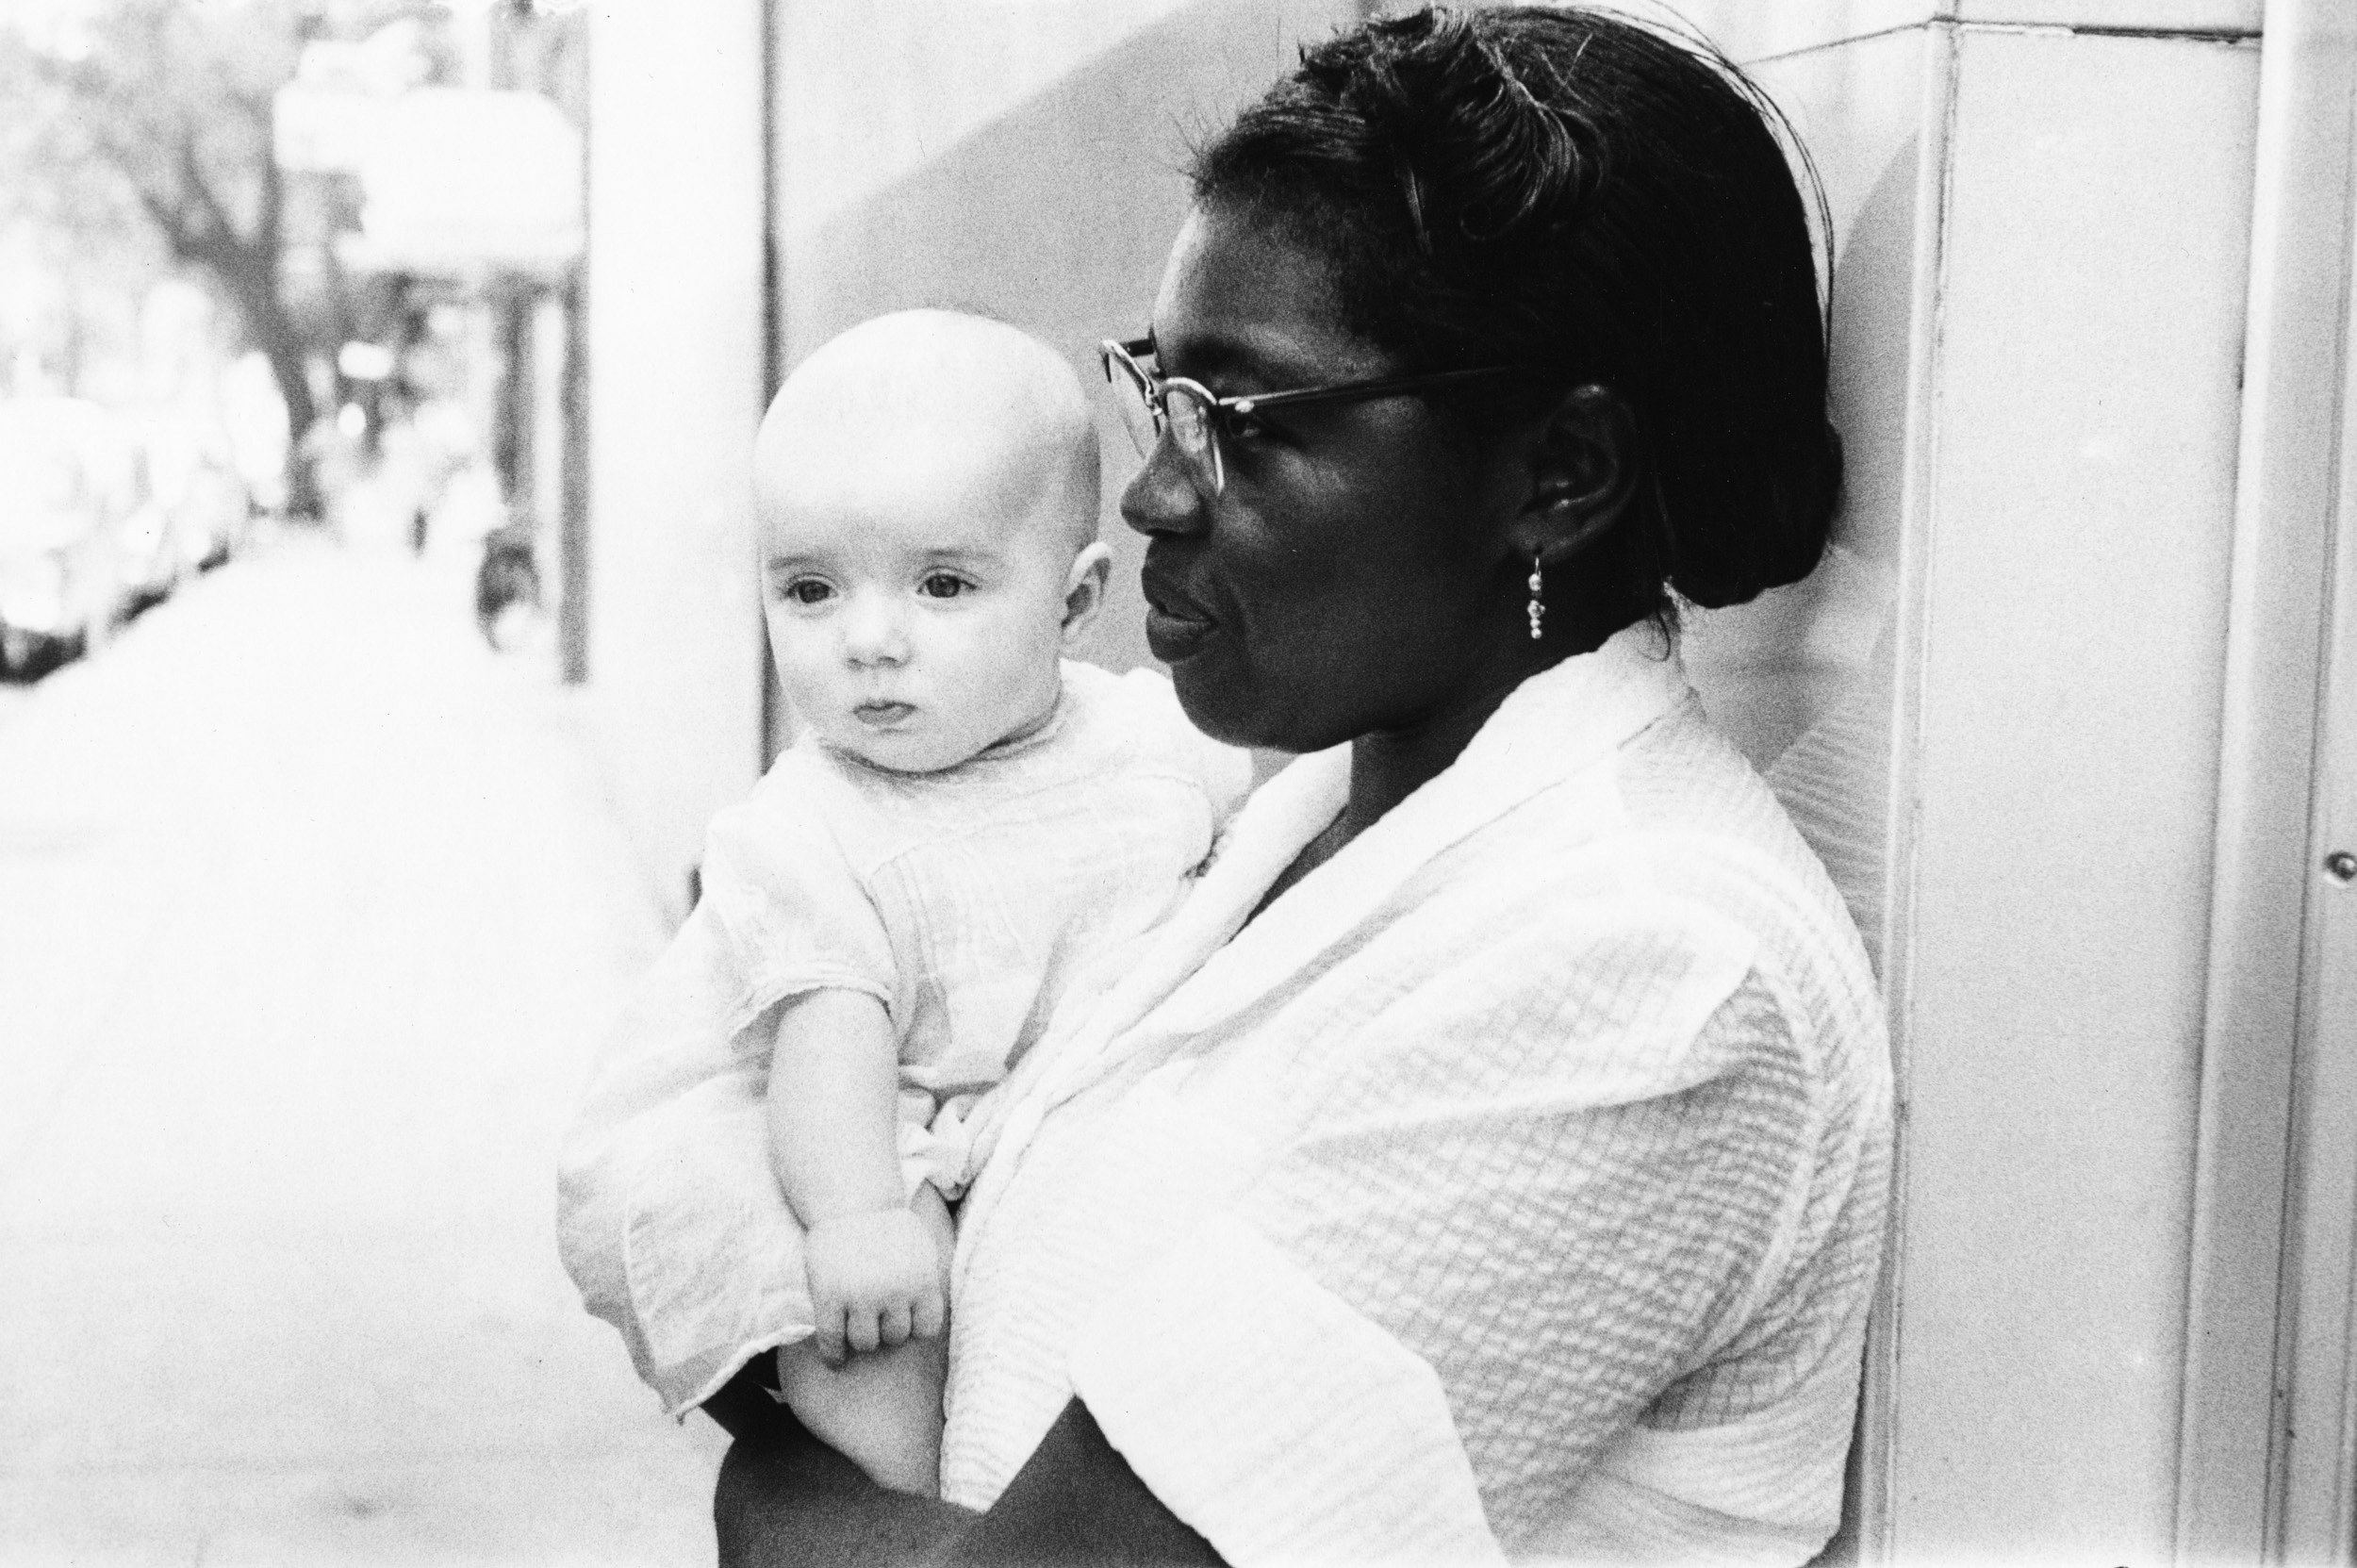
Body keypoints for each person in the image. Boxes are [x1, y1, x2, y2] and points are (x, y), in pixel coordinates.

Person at [576, 8, 1893, 1563]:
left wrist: (766, 1488)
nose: (1148, 490)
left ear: (1558, 475)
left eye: (1242, 424)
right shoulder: (1281, 816)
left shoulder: (1656, 973)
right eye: (1159, 393)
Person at [557, 310, 1251, 1497]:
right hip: (875, 1130)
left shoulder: (1148, 742)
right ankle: (912, 1504)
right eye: (812, 590)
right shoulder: (809, 827)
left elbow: (1228, 871)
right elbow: (832, 1034)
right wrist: (857, 1215)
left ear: (1075, 603)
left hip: (1057, 1099)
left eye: (941, 585)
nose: (869, 641)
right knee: (879, 1325)